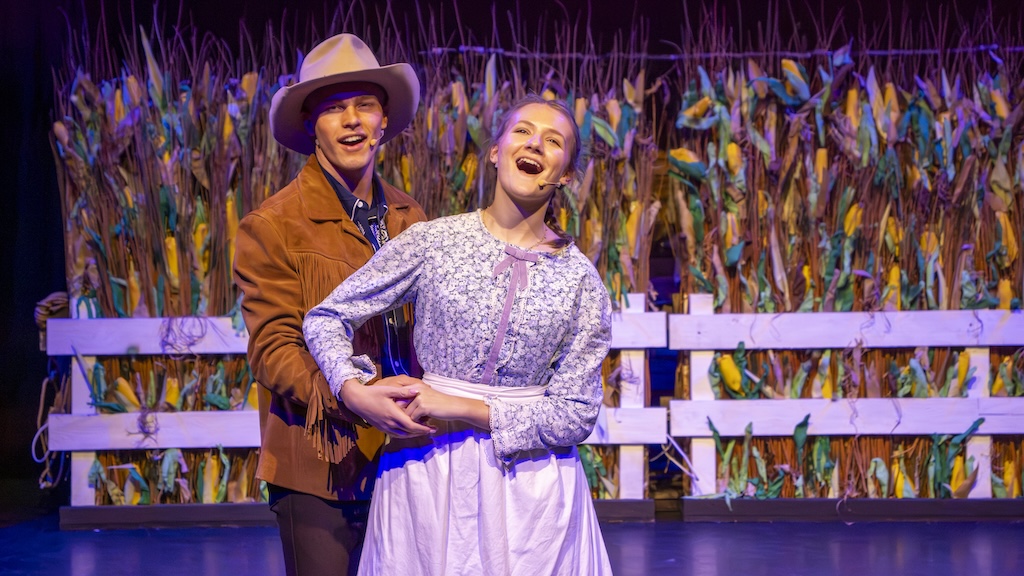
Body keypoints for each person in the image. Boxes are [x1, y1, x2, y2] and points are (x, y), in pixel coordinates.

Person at [304, 94, 615, 576]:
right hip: (430, 468)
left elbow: (576, 414)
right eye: (522, 131)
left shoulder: (580, 281)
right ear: (495, 151)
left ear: (566, 175)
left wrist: (460, 406)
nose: (534, 143)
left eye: (553, 141)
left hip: (531, 487)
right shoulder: (435, 241)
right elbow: (326, 317)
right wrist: (355, 389)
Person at [232, 33, 433, 576]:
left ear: (384, 121)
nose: (351, 120)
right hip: (320, 460)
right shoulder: (272, 225)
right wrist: (352, 395)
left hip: (407, 453)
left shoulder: (413, 220)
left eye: (364, 105)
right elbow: (273, 347)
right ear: (311, 125)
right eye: (334, 107)